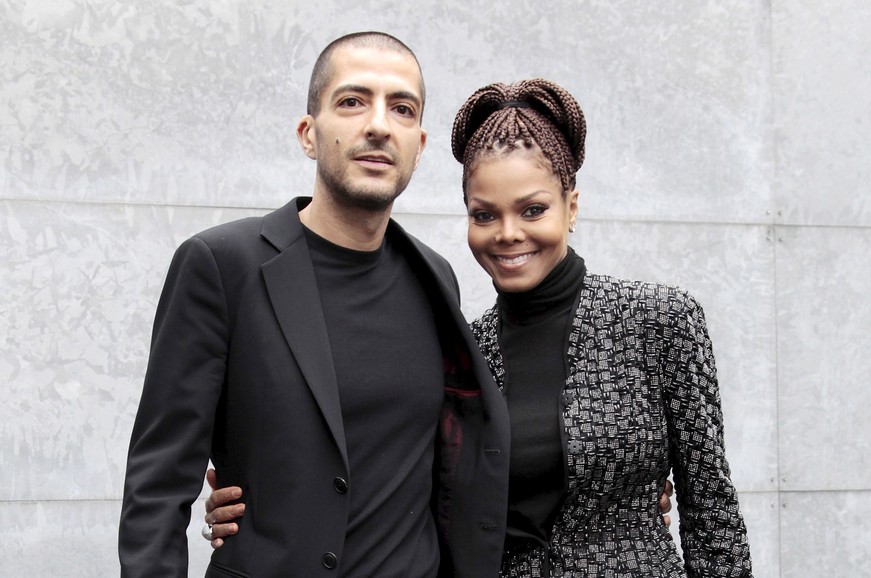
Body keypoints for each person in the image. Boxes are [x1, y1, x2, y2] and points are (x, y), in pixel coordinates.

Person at [208, 77, 753, 577]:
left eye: (533, 210)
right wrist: (258, 500)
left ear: (572, 206)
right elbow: (395, 481)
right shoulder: (462, 348)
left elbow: (713, 515)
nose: (508, 234)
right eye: (484, 214)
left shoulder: (658, 321)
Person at [118, 31, 512, 578]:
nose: (378, 124)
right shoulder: (221, 265)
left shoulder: (435, 278)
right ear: (308, 133)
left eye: (401, 108)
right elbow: (157, 485)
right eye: (352, 102)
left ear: (418, 146)